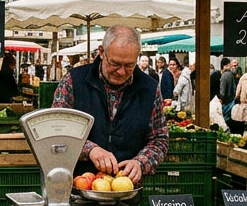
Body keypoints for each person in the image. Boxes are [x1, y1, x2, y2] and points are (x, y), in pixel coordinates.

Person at [51, 26, 169, 184]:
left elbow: (159, 139)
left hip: (127, 192)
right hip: (75, 188)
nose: (121, 71)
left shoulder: (150, 89)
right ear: (101, 52)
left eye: (129, 65)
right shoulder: (73, 81)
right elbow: (56, 130)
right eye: (115, 63)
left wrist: (141, 163)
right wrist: (90, 150)